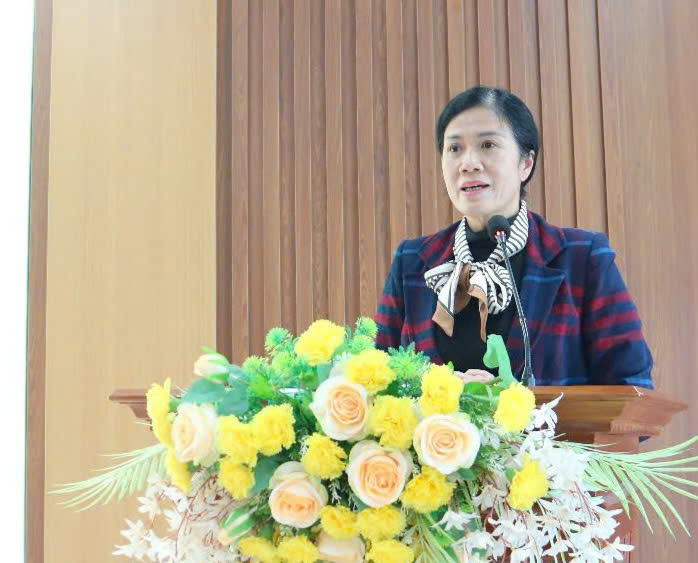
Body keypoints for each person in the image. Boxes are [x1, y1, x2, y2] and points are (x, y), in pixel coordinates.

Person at [375, 86, 653, 388]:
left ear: (526, 163)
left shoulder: (582, 258)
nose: (468, 163)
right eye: (454, 149)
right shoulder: (412, 262)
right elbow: (376, 384)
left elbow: (632, 387)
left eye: (488, 145)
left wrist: (514, 405)